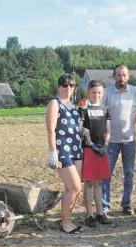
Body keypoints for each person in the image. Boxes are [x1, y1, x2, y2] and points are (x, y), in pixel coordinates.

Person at [102, 64, 136, 215]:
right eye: (118, 75)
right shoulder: (106, 93)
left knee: (129, 174)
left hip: (129, 140)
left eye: (124, 75)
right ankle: (105, 205)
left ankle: (126, 204)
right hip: (110, 142)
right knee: (106, 174)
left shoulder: (135, 92)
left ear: (128, 77)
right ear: (114, 76)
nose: (121, 78)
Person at [45, 74, 84, 234]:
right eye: (64, 85)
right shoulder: (55, 103)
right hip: (63, 151)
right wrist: (53, 152)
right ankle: (66, 224)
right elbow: (50, 130)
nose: (68, 88)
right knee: (74, 187)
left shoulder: (72, 106)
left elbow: (76, 128)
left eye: (71, 85)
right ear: (59, 87)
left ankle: (67, 220)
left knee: (73, 189)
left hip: (76, 149)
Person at [78, 80, 112, 228]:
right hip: (89, 150)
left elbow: (108, 130)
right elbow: (81, 128)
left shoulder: (105, 109)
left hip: (101, 149)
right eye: (93, 92)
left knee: (99, 182)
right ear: (88, 93)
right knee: (89, 182)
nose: (96, 95)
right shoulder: (84, 109)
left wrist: (105, 145)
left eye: (99, 92)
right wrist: (90, 143)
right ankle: (89, 215)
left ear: (102, 93)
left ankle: (100, 213)